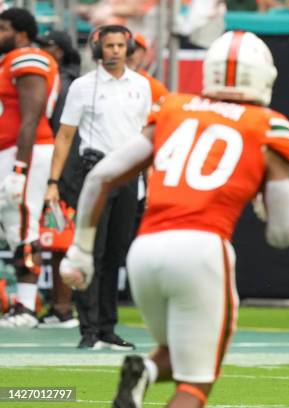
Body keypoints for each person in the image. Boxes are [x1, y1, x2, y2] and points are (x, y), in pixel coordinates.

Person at [60, 30, 289, 408]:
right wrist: (264, 199)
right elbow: (282, 234)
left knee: (177, 351)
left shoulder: (173, 107)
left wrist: (81, 251)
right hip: (202, 249)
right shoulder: (270, 126)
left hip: (146, 250)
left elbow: (100, 177)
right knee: (195, 383)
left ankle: (146, 371)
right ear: (265, 75)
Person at [44, 25, 151, 349]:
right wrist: (52, 181)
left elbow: (146, 134)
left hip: (130, 176)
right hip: (96, 175)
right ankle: (88, 329)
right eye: (109, 45)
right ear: (97, 48)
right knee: (92, 252)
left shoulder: (141, 85)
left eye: (120, 45)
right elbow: (64, 136)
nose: (116, 51)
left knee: (116, 253)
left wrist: (149, 179)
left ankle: (107, 327)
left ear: (128, 47)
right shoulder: (82, 86)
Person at [0, 8, 59, 328]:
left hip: (27, 152)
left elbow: (31, 116)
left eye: (3, 28)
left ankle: (25, 307)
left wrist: (20, 168)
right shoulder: (10, 60)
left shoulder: (28, 58)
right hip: (12, 151)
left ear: (21, 32)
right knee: (14, 227)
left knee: (22, 226)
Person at [35, 29, 81, 328]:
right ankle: (57, 307)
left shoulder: (65, 84)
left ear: (61, 51)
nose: (42, 51)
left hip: (61, 173)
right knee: (52, 240)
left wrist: (57, 178)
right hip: (58, 170)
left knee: (62, 239)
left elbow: (63, 134)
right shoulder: (58, 79)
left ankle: (64, 308)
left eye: (48, 47)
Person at [127, 32, 168, 103]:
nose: (131, 54)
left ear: (144, 53)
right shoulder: (110, 81)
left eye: (136, 49)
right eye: (128, 49)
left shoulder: (154, 87)